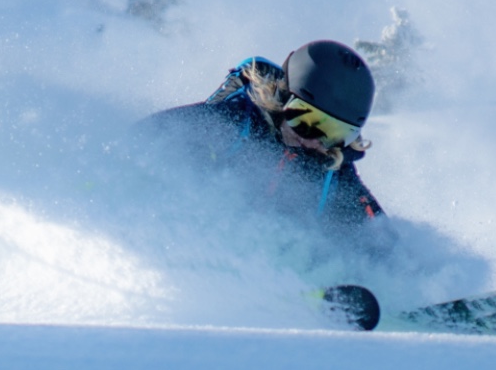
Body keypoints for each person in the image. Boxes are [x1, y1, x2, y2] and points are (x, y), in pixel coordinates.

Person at [144, 40, 386, 233]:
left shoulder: (333, 174)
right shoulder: (237, 123)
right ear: (282, 99)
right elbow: (149, 137)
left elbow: (382, 242)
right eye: (306, 121)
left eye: (334, 133)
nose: (314, 141)